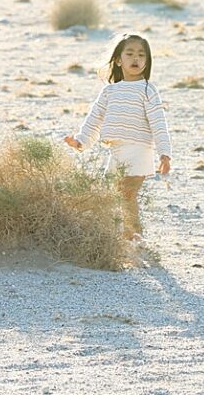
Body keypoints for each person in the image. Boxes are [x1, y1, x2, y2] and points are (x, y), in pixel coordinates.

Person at [63, 35, 173, 248]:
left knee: (128, 192)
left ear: (147, 61)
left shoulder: (147, 90)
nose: (136, 58)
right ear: (119, 60)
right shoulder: (110, 91)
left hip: (139, 149)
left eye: (142, 55)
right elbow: (94, 119)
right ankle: (118, 234)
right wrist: (80, 141)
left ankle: (133, 235)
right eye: (130, 53)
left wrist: (164, 153)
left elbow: (159, 123)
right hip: (117, 151)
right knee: (114, 193)